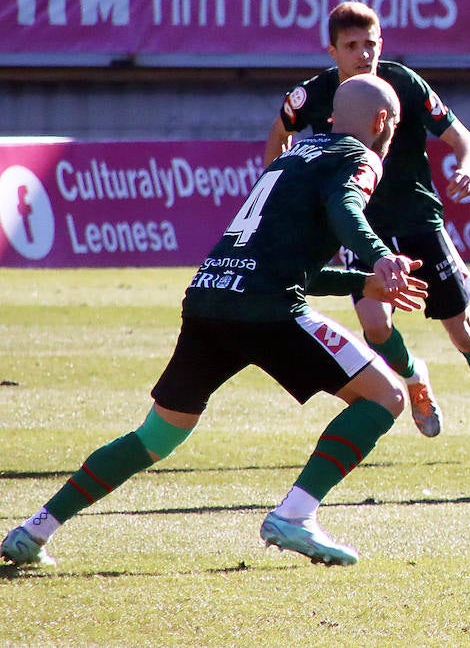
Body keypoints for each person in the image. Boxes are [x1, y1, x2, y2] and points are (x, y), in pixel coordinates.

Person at [2, 74, 429, 569]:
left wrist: (358, 280)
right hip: (265, 309)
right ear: (383, 123)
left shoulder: (293, 157)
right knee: (386, 396)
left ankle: (34, 530)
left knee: (157, 436)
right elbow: (346, 208)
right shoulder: (359, 156)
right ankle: (295, 514)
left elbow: (288, 266)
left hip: (210, 296)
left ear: (332, 116)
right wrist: (378, 256)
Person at [265, 1, 470, 458]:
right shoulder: (313, 95)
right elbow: (278, 134)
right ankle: (413, 379)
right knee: (374, 324)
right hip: (358, 224)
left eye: (370, 43)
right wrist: (281, 187)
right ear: (332, 51)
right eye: (351, 46)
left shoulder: (404, 83)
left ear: (381, 43)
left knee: (462, 330)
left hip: (417, 218)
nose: (363, 54)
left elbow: (461, 137)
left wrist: (468, 167)